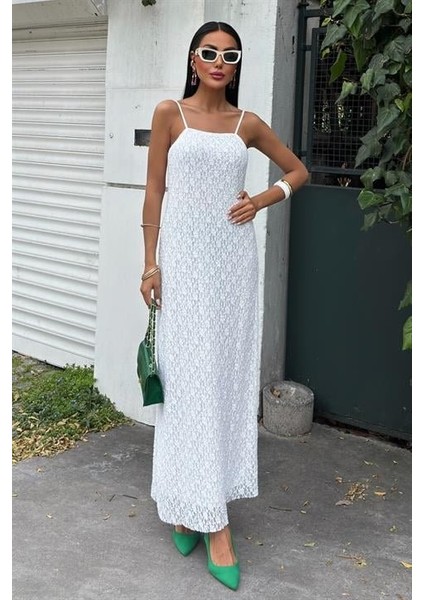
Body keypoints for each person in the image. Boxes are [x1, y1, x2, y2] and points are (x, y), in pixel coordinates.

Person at [140, 21, 309, 591]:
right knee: (186, 384)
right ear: (193, 59)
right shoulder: (170, 114)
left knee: (223, 384)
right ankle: (195, 511)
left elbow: (299, 171)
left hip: (233, 268)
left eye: (229, 55)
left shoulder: (248, 124)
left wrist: (262, 199)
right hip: (183, 268)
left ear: (237, 65)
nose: (218, 61)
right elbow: (155, 191)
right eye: (209, 52)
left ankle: (208, 516)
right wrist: (149, 264)